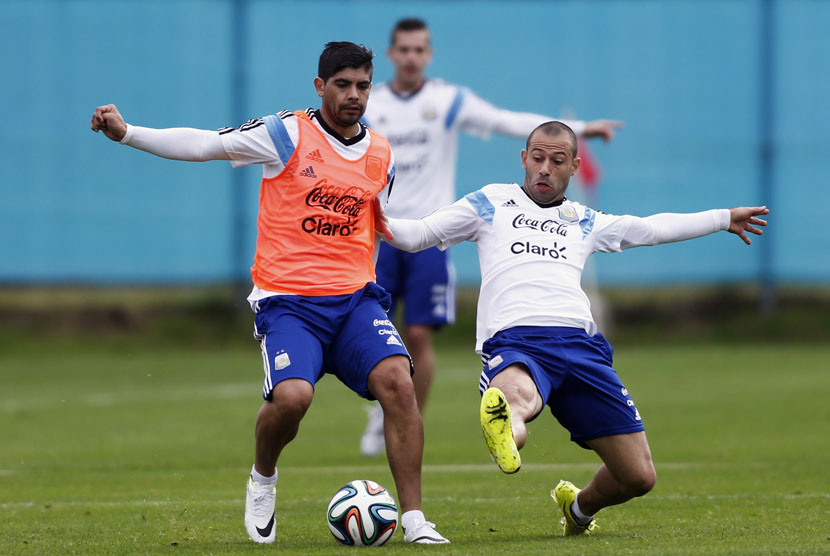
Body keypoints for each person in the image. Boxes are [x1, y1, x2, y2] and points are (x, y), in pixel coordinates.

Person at [90, 42, 449, 545]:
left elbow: (385, 226)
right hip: (289, 303)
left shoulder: (382, 154)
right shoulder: (286, 133)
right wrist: (128, 134)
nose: (353, 95)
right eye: (342, 85)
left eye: (362, 86)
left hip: (354, 301)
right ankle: (263, 478)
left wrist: (446, 231)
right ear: (320, 86)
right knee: (293, 399)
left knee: (400, 384)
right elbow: (205, 144)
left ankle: (414, 521)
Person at [373, 120, 769, 535]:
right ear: (524, 159)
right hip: (517, 338)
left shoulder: (584, 220)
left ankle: (577, 506)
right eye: (538, 158)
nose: (545, 168)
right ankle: (509, 426)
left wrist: (723, 217)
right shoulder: (490, 202)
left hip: (582, 347)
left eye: (557, 161)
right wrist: (371, 212)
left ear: (574, 166)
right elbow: (417, 234)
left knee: (638, 477)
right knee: (513, 395)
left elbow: (650, 229)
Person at [359, 17, 625, 457]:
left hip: (431, 233)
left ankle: (406, 418)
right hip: (383, 234)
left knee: (420, 334)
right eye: (403, 50)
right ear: (391, 54)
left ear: (429, 55)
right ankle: (384, 407)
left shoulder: (446, 100)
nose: (411, 58)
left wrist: (577, 128)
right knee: (374, 328)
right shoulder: (370, 103)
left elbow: (505, 121)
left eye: (419, 50)